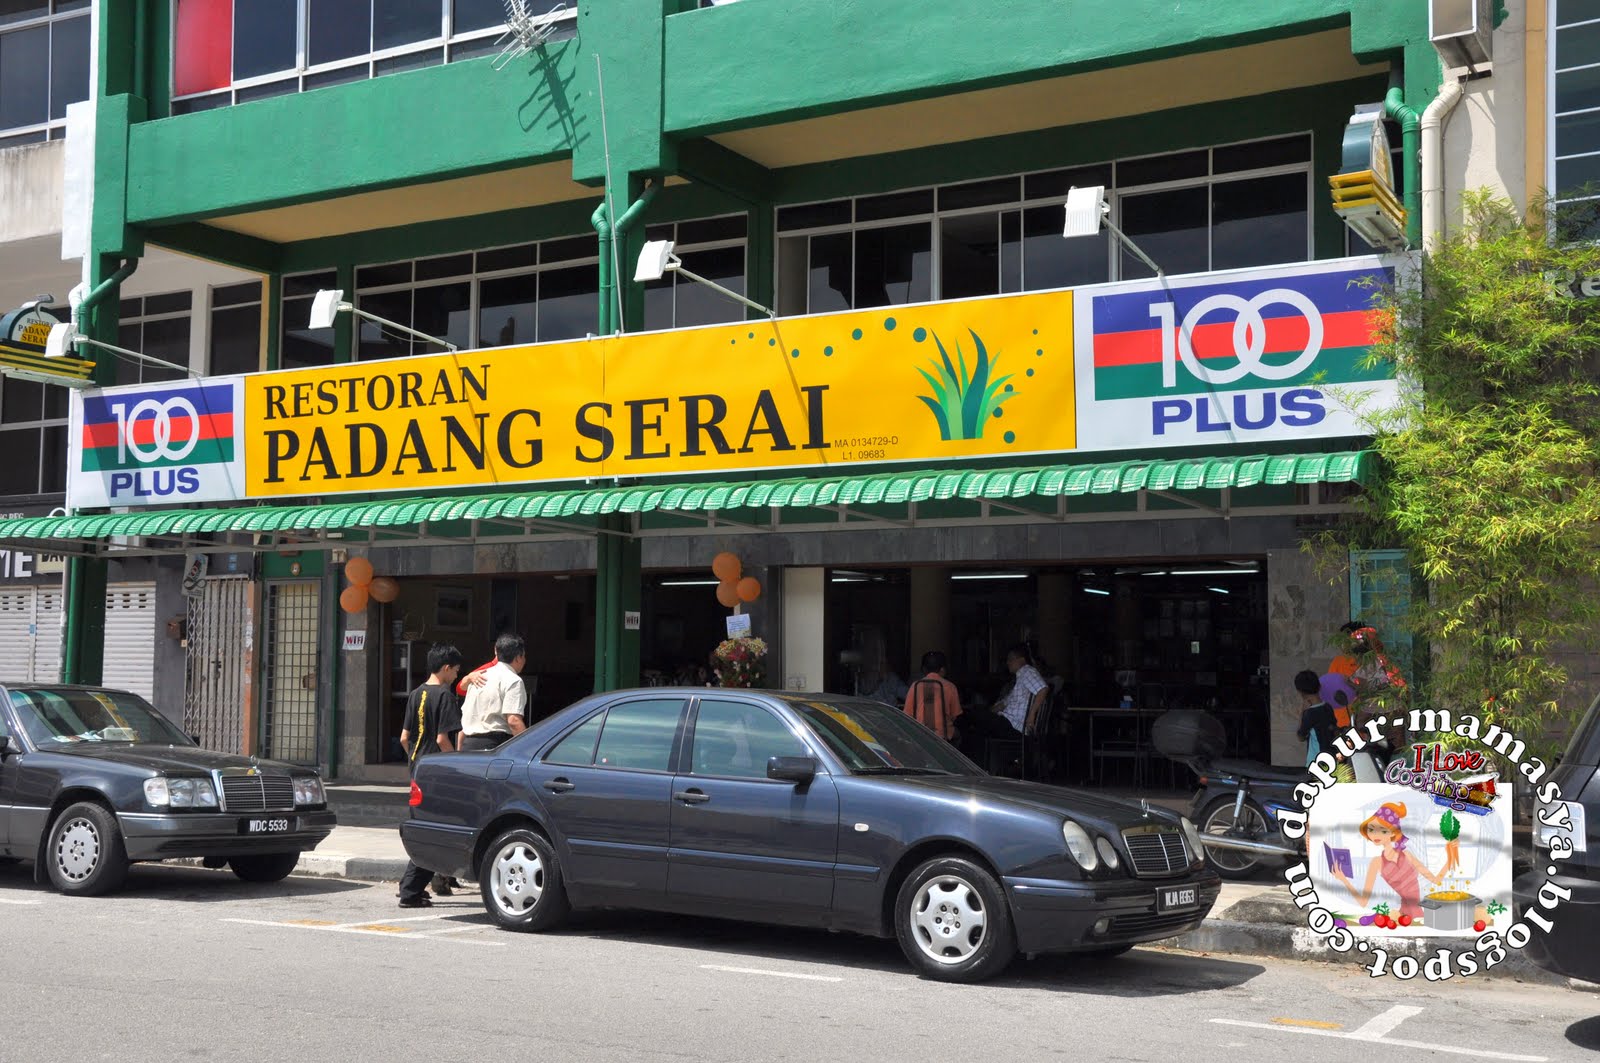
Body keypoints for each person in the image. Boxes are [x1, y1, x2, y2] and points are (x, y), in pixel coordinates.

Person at [397, 644, 464, 908]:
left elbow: (404, 738)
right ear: (446, 668)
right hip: (437, 772)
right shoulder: (445, 696)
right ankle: (410, 891)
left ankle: (409, 886)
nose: (456, 676)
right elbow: (442, 739)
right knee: (435, 832)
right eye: (456, 671)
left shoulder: (415, 693)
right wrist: (457, 767)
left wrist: (416, 762)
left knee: (426, 827)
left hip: (419, 770)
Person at [1331, 800, 1461, 925]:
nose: (1376, 835)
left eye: (1383, 831)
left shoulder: (1407, 855)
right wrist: (1343, 879)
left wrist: (1450, 856)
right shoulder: (1376, 863)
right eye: (1371, 829)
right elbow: (1363, 902)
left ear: (1393, 833)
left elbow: (1436, 880)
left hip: (1414, 915)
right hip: (1401, 916)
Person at [457, 634, 528, 752]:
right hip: (495, 747)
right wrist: (528, 747)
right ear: (518, 657)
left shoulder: (478, 676)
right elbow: (513, 721)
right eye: (524, 656)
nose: (524, 660)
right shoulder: (513, 680)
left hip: (468, 745)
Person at [903, 651, 962, 740]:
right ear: (942, 669)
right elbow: (954, 715)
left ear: (923, 669)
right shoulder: (950, 686)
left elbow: (907, 714)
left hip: (920, 734)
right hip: (943, 734)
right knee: (958, 735)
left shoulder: (915, 685)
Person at [999, 643, 1048, 734]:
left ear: (1021, 660)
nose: (1008, 663)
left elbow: (1043, 689)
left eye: (1010, 659)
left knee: (977, 715)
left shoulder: (1026, 671)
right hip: (1009, 722)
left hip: (1013, 725)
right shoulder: (1021, 678)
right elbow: (1004, 703)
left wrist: (1031, 715)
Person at [1293, 669, 1337, 767]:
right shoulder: (1328, 707)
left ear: (1300, 692)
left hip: (1316, 762)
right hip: (1332, 758)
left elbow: (1300, 737)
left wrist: (1301, 712)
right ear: (1319, 686)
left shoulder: (1310, 713)